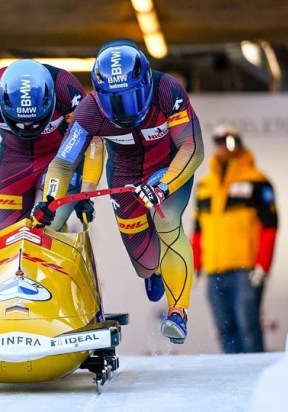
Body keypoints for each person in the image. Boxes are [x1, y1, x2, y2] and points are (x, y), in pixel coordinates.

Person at [32, 38, 204, 344]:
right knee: (144, 264)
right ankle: (155, 272)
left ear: (146, 83)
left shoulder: (168, 91)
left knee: (167, 222)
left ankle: (178, 313)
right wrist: (50, 200)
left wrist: (164, 187)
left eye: (132, 97)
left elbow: (192, 147)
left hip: (168, 169)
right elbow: (63, 164)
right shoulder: (89, 112)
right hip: (123, 176)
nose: (124, 109)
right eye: (114, 100)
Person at [0, 59, 101, 231]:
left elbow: (94, 139)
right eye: (20, 122)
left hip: (59, 161)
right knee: (4, 233)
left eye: (36, 121)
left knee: (45, 227)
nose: (28, 128)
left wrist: (86, 193)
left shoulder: (65, 87)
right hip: (14, 161)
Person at [191, 124, 278, 353]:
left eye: (228, 141)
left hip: (245, 271)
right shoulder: (204, 185)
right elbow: (198, 229)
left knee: (248, 327)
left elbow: (270, 226)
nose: (223, 146)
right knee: (224, 329)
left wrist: (263, 265)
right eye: (218, 141)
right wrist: (196, 265)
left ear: (238, 142)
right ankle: (235, 385)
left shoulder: (257, 181)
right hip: (214, 270)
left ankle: (258, 382)